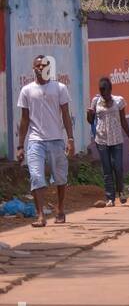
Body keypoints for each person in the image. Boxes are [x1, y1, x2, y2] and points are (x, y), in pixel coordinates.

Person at [17, 55, 75, 226]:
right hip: (35, 141)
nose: (40, 69)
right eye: (37, 66)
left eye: (43, 66)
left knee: (60, 178)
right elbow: (24, 119)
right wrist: (20, 145)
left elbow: (65, 114)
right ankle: (40, 215)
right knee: (36, 176)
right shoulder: (26, 90)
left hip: (56, 140)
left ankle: (60, 209)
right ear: (33, 68)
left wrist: (70, 139)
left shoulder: (60, 88)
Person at [87, 76, 129, 207]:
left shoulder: (119, 101)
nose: (104, 95)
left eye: (106, 91)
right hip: (101, 140)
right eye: (102, 92)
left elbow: (124, 120)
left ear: (110, 89)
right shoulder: (96, 101)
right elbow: (90, 121)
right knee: (107, 169)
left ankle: (121, 192)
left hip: (117, 139)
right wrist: (89, 113)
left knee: (118, 167)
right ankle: (110, 198)